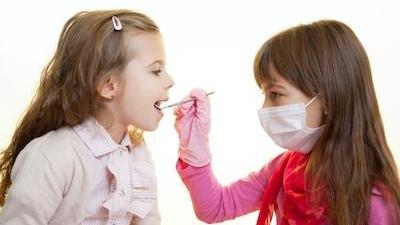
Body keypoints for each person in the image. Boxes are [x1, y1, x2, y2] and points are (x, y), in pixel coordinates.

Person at [174, 20, 400, 225]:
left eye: (276, 94)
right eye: (265, 94)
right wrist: (195, 151)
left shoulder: (374, 201)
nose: (265, 108)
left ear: (329, 98)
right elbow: (215, 208)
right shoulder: (283, 169)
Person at [0, 9, 174, 225]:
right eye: (156, 70)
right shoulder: (52, 157)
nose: (170, 80)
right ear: (109, 86)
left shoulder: (138, 156)